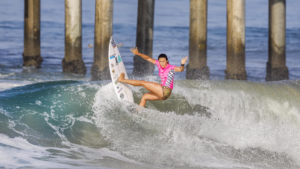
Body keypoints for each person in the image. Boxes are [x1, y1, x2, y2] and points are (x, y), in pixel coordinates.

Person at [118, 47, 188, 107]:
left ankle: (122, 80)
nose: (162, 63)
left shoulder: (171, 67)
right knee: (144, 97)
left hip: (165, 90)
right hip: (164, 96)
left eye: (164, 61)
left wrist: (182, 64)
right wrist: (138, 54)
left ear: (167, 61)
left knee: (143, 83)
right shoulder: (159, 64)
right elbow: (148, 58)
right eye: (160, 61)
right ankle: (136, 113)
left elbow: (180, 69)